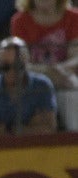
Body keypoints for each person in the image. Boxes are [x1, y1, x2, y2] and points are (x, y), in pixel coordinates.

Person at [12, 0, 78, 130]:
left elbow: (76, 57)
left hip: (65, 75)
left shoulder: (73, 17)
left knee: (72, 91)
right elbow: (22, 62)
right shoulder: (20, 20)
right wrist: (49, 72)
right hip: (35, 77)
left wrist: (60, 70)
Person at [0, 36, 58, 134]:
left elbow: (49, 129)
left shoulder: (42, 85)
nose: (12, 72)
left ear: (27, 62)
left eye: (18, 66)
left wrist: (4, 128)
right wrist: (26, 127)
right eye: (6, 67)